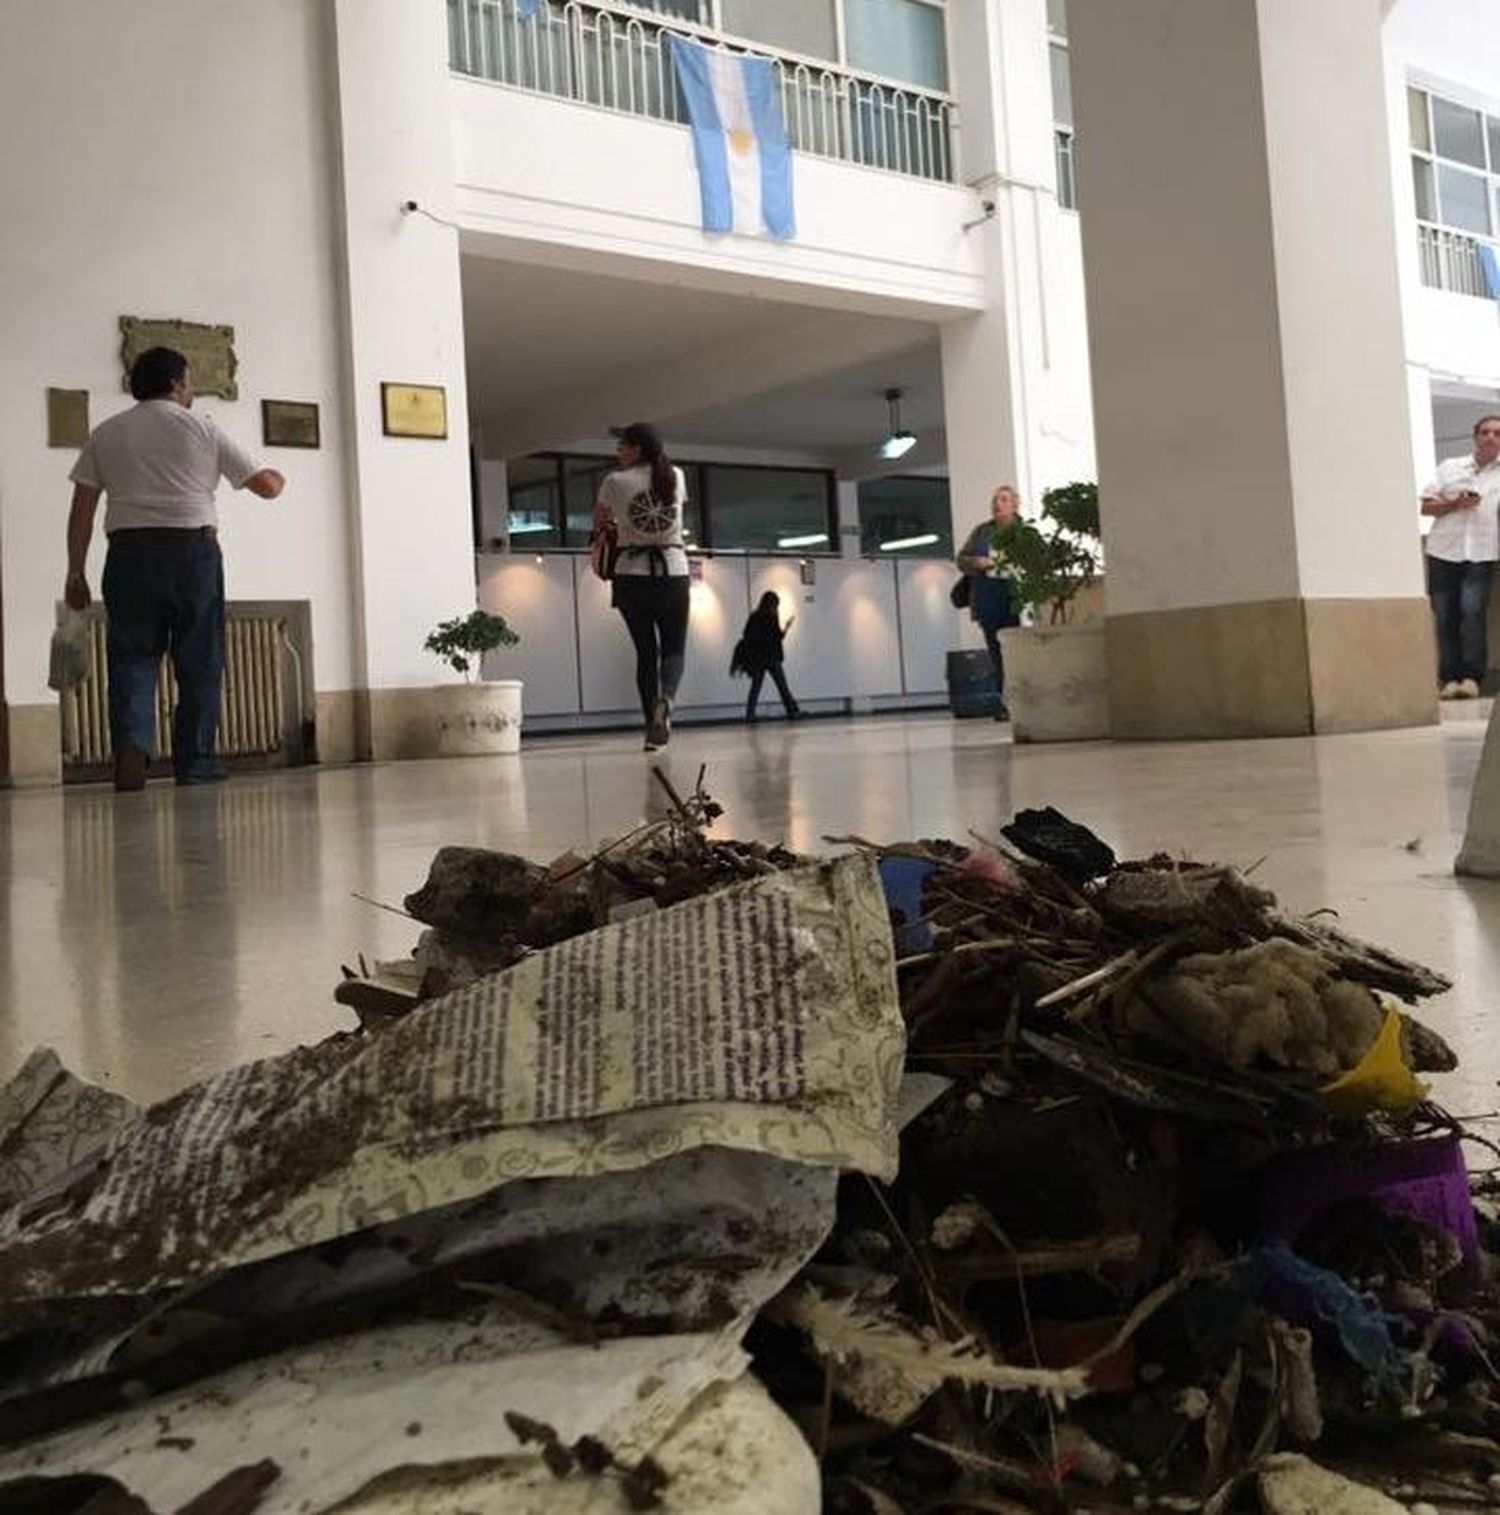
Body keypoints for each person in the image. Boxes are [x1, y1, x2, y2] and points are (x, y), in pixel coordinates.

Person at [63, 347, 285, 790]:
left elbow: (82, 510)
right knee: (200, 659)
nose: (192, 390)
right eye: (189, 382)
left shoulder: (106, 434)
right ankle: (196, 762)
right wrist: (279, 475)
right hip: (192, 554)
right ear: (177, 384)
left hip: (128, 555)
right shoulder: (202, 429)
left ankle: (131, 750)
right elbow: (266, 487)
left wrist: (75, 572)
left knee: (130, 657)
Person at [594, 422, 690, 751]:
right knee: (674, 647)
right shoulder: (676, 475)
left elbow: (601, 521)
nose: (618, 451)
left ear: (637, 449)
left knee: (645, 653)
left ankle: (651, 725)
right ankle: (667, 701)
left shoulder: (615, 481)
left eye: (622, 446)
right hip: (673, 571)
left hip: (631, 573)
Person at [1422, 414, 1500, 700]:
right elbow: (1426, 507)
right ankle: (1449, 677)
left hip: (1482, 552)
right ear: (1476, 437)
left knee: (1472, 612)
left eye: (1497, 433)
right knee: (1444, 616)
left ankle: (1471, 677)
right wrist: (1457, 504)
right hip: (1444, 550)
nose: (1491, 437)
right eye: (1485, 432)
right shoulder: (1450, 467)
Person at [955, 485, 1023, 719]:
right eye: (995, 500)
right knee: (996, 653)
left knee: (1017, 652)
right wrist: (976, 562)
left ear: (1015, 504)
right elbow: (961, 560)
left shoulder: (1024, 532)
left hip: (1016, 599)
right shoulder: (982, 531)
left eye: (1003, 500)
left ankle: (1023, 702)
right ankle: (1005, 704)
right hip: (987, 599)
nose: (997, 504)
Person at [733, 591, 803, 722]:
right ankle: (792, 711)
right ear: (772, 604)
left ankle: (750, 715)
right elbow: (778, 637)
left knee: (755, 687)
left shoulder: (754, 616)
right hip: (772, 658)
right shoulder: (772, 617)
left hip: (758, 659)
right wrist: (787, 627)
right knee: (782, 685)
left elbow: (746, 634)